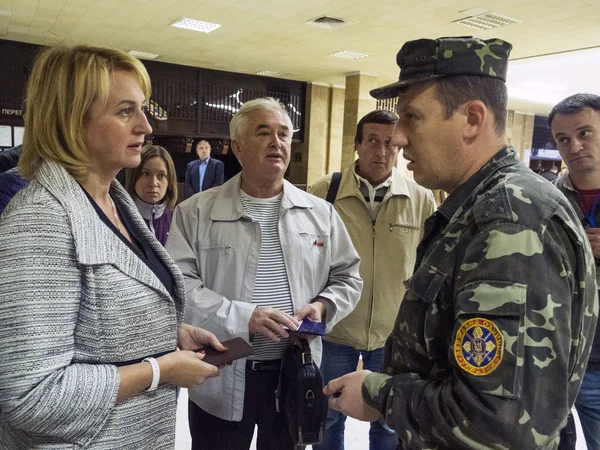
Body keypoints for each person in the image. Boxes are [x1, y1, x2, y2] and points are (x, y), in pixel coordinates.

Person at [323, 36, 598, 450]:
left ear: (472, 119)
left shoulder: (510, 219)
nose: (398, 140)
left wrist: (378, 393)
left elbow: (497, 421)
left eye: (412, 118)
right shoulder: (479, 206)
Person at [0, 45, 226, 449]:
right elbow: (30, 396)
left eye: (142, 109)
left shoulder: (112, 200)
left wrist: (170, 334)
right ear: (72, 120)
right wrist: (161, 370)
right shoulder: (41, 220)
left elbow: (93, 322)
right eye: (126, 111)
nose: (145, 126)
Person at [166, 97, 362, 450]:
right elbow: (180, 286)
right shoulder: (195, 212)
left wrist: (322, 307)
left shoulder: (320, 213)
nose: (277, 142)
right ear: (238, 148)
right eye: (264, 132)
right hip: (223, 370)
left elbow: (348, 276)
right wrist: (246, 317)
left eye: (285, 134)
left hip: (294, 372)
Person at [309, 109, 435, 450]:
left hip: (394, 336)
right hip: (337, 330)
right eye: (372, 141)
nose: (381, 151)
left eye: (390, 143)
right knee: (328, 415)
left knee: (390, 422)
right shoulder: (324, 192)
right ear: (357, 145)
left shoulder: (421, 198)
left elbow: (427, 264)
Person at [549, 93, 600, 450]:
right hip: (555, 362)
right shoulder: (546, 199)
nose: (575, 146)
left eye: (585, 133)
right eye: (563, 139)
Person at [125, 145, 178, 246]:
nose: (153, 183)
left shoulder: (178, 221)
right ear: (133, 177)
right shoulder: (120, 217)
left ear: (169, 181)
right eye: (145, 174)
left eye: (161, 176)